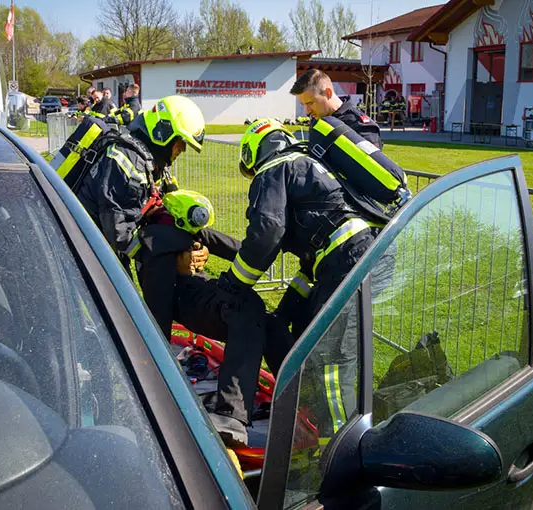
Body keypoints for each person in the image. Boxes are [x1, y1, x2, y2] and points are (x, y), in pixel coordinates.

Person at [218, 118, 381, 444]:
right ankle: (326, 421)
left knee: (331, 358)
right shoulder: (307, 166)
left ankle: (340, 448)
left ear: (254, 151)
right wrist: (284, 314)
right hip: (356, 256)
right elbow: (310, 270)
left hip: (349, 260)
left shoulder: (273, 169)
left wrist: (234, 283)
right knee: (315, 339)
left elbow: (266, 232)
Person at [131, 195, 293, 448]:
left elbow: (229, 246)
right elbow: (158, 308)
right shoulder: (160, 244)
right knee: (244, 305)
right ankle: (231, 415)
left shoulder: (176, 230)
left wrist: (265, 247)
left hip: (199, 295)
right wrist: (160, 366)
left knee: (268, 324)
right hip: (191, 305)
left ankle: (297, 393)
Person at [73, 94, 205, 272]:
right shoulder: (128, 164)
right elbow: (120, 234)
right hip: (85, 251)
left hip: (102, 247)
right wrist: (172, 259)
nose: (183, 149)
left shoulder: (149, 160)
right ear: (163, 132)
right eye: (181, 142)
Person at [290, 69, 383, 149]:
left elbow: (372, 163)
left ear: (328, 93)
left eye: (310, 103)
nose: (307, 111)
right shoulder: (318, 119)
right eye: (303, 105)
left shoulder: (361, 126)